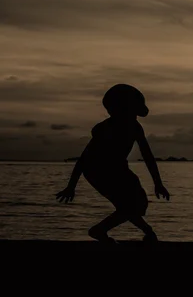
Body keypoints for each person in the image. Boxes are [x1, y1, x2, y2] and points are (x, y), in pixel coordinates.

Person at [55, 84, 170, 243]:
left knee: (134, 204)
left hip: (118, 169)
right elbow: (84, 158)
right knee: (131, 205)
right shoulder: (106, 128)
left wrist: (158, 183)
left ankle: (144, 232)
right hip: (98, 170)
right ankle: (102, 230)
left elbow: (147, 155)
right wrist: (71, 186)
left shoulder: (135, 127)